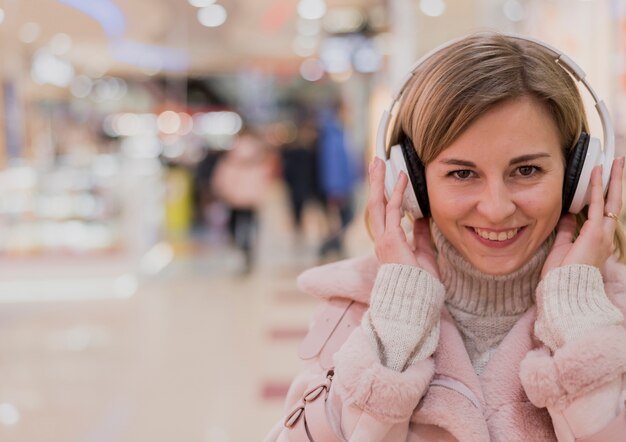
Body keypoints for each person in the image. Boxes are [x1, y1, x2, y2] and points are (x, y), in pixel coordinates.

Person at [265, 32, 626, 441]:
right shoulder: (356, 312)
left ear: (577, 176)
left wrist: (578, 320)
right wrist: (395, 332)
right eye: (462, 173)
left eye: (526, 171)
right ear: (411, 183)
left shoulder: (611, 313)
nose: (496, 208)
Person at [211, 125, 275, 273]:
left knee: (235, 223)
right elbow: (263, 178)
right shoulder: (258, 155)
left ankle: (241, 245)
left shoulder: (233, 154)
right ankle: (247, 247)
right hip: (251, 198)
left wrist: (223, 189)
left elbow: (224, 174)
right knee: (250, 223)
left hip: (235, 197)